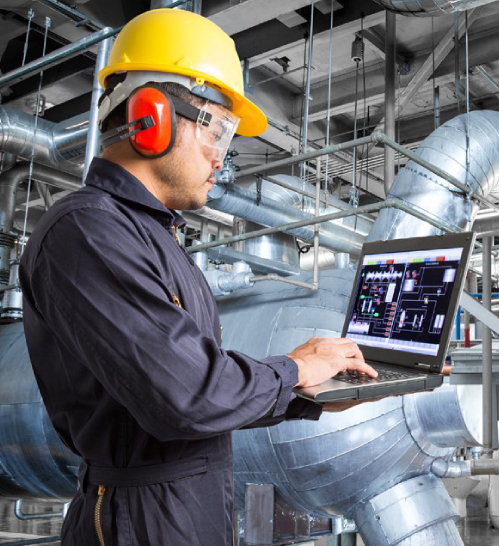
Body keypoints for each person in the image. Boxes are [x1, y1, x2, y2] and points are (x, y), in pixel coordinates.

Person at [18, 8, 376, 546]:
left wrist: (307, 394)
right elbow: (186, 395)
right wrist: (293, 371)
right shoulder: (87, 232)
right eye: (218, 130)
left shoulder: (152, 236)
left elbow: (197, 382)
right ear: (152, 115)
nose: (222, 158)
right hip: (139, 522)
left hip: (184, 509)